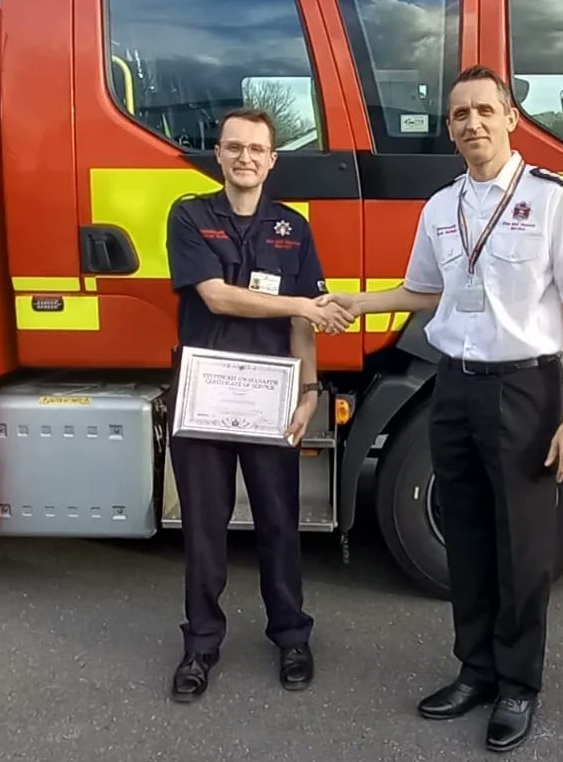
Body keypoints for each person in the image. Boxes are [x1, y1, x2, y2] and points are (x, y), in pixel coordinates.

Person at [318, 65, 563, 752]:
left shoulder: (555, 200)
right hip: (451, 384)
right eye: (459, 114)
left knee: (522, 544)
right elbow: (425, 292)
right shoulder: (441, 206)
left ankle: (518, 684)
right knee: (469, 539)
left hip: (525, 389)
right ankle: (474, 669)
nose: (472, 123)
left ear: (511, 118)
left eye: (485, 109)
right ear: (448, 127)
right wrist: (362, 303)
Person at [164, 107, 355, 703]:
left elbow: (306, 327)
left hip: (270, 399)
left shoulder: (293, 229)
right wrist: (302, 305)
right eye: (234, 147)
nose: (245, 157)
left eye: (257, 149)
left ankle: (292, 636)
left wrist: (309, 391)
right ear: (218, 155)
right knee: (204, 528)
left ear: (273, 160)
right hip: (205, 399)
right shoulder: (190, 216)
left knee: (278, 523)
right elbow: (217, 299)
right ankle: (200, 646)